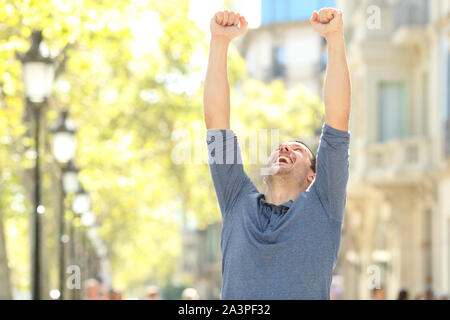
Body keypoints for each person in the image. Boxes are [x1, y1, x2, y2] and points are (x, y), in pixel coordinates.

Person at [204, 8, 351, 299]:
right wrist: (219, 42)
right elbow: (217, 124)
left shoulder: (324, 204)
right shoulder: (236, 199)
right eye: (279, 148)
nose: (284, 147)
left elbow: (337, 121)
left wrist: (334, 37)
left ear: (313, 176)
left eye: (297, 149)